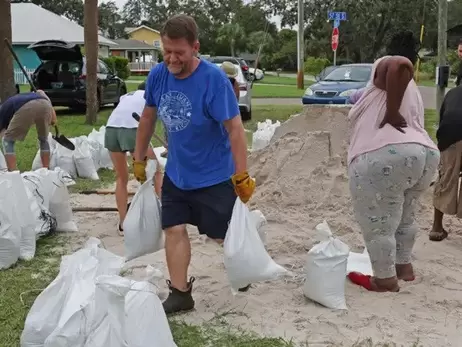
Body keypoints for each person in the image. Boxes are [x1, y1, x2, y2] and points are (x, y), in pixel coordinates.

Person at [132, 14, 255, 314]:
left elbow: (235, 129)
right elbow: (148, 117)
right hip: (177, 172)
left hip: (214, 176)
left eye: (179, 53)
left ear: (195, 47)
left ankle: (245, 263)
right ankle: (180, 293)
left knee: (220, 235)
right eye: (167, 52)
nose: (172, 59)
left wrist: (241, 175)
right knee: (173, 229)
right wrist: (138, 158)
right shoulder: (159, 75)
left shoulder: (213, 80)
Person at [347, 31, 440, 292]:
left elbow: (399, 64)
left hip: (385, 153)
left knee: (378, 221)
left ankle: (384, 279)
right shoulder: (413, 90)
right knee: (405, 217)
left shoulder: (387, 63)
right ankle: (404, 268)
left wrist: (390, 112)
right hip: (424, 154)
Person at [104, 81, 162, 236]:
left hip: (110, 130)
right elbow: (150, 122)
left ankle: (123, 224)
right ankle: (161, 214)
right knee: (156, 171)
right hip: (132, 129)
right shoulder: (150, 97)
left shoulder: (126, 96)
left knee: (121, 178)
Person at [430, 81, 462, 241]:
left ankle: (436, 228)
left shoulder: (452, 93)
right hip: (452, 133)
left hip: (449, 137)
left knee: (445, 179)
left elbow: (443, 119)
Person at [0, 90, 57, 171]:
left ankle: (13, 173)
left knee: (7, 140)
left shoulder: (2, 113)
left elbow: (2, 132)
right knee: (43, 139)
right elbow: (42, 92)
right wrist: (53, 115)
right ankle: (45, 169)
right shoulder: (10, 103)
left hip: (27, 106)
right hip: (45, 104)